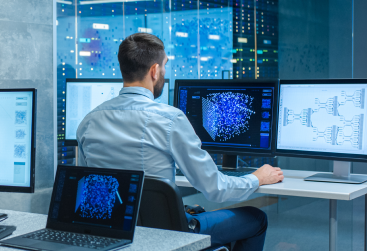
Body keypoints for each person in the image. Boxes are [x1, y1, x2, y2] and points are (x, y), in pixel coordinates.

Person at [76, 33, 284, 251]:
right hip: (166, 236)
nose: (164, 73)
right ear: (154, 71)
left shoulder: (89, 121)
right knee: (255, 218)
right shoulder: (169, 119)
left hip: (114, 234)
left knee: (195, 210)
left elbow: (86, 186)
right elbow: (216, 189)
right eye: (164, 66)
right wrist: (256, 178)